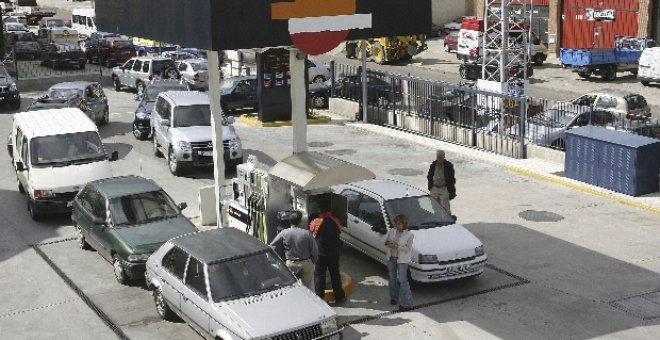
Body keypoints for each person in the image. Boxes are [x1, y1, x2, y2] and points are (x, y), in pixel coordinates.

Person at [309, 199, 346, 304]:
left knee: (320, 275)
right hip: (334, 253)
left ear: (320, 210)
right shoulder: (336, 220)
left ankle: (319, 298)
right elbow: (340, 230)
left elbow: (311, 231)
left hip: (320, 253)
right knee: (335, 274)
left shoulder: (316, 222)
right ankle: (339, 296)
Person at [269, 211, 318, 290]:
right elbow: (315, 252)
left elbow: (273, 246)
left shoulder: (284, 233)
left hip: (290, 264)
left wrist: (282, 258)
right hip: (305, 264)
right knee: (309, 288)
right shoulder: (307, 233)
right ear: (300, 221)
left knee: (290, 287)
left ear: (289, 221)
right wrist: (312, 261)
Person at [385, 214, 414, 311]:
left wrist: (397, 247)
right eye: (396, 223)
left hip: (402, 261)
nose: (397, 226)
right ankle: (394, 297)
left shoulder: (409, 235)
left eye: (399, 224)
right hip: (391, 258)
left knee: (403, 281)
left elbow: (408, 248)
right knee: (392, 279)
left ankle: (407, 304)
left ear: (404, 224)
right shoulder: (392, 231)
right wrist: (388, 243)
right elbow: (386, 241)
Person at [426, 149, 456, 215]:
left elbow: (452, 179)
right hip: (434, 188)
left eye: (440, 157)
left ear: (444, 157)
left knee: (445, 207)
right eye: (438, 157)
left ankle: (448, 221)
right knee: (434, 207)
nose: (439, 159)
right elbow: (429, 176)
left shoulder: (448, 166)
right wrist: (430, 187)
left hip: (444, 188)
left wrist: (450, 190)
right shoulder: (433, 165)